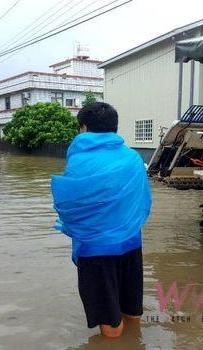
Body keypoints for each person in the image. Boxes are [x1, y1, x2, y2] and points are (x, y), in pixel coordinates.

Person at [51, 102, 152, 337]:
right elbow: (142, 200)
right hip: (131, 243)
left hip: (96, 249)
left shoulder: (80, 160)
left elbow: (69, 205)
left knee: (109, 320)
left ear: (84, 128)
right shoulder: (133, 158)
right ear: (114, 127)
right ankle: (135, 341)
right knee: (132, 309)